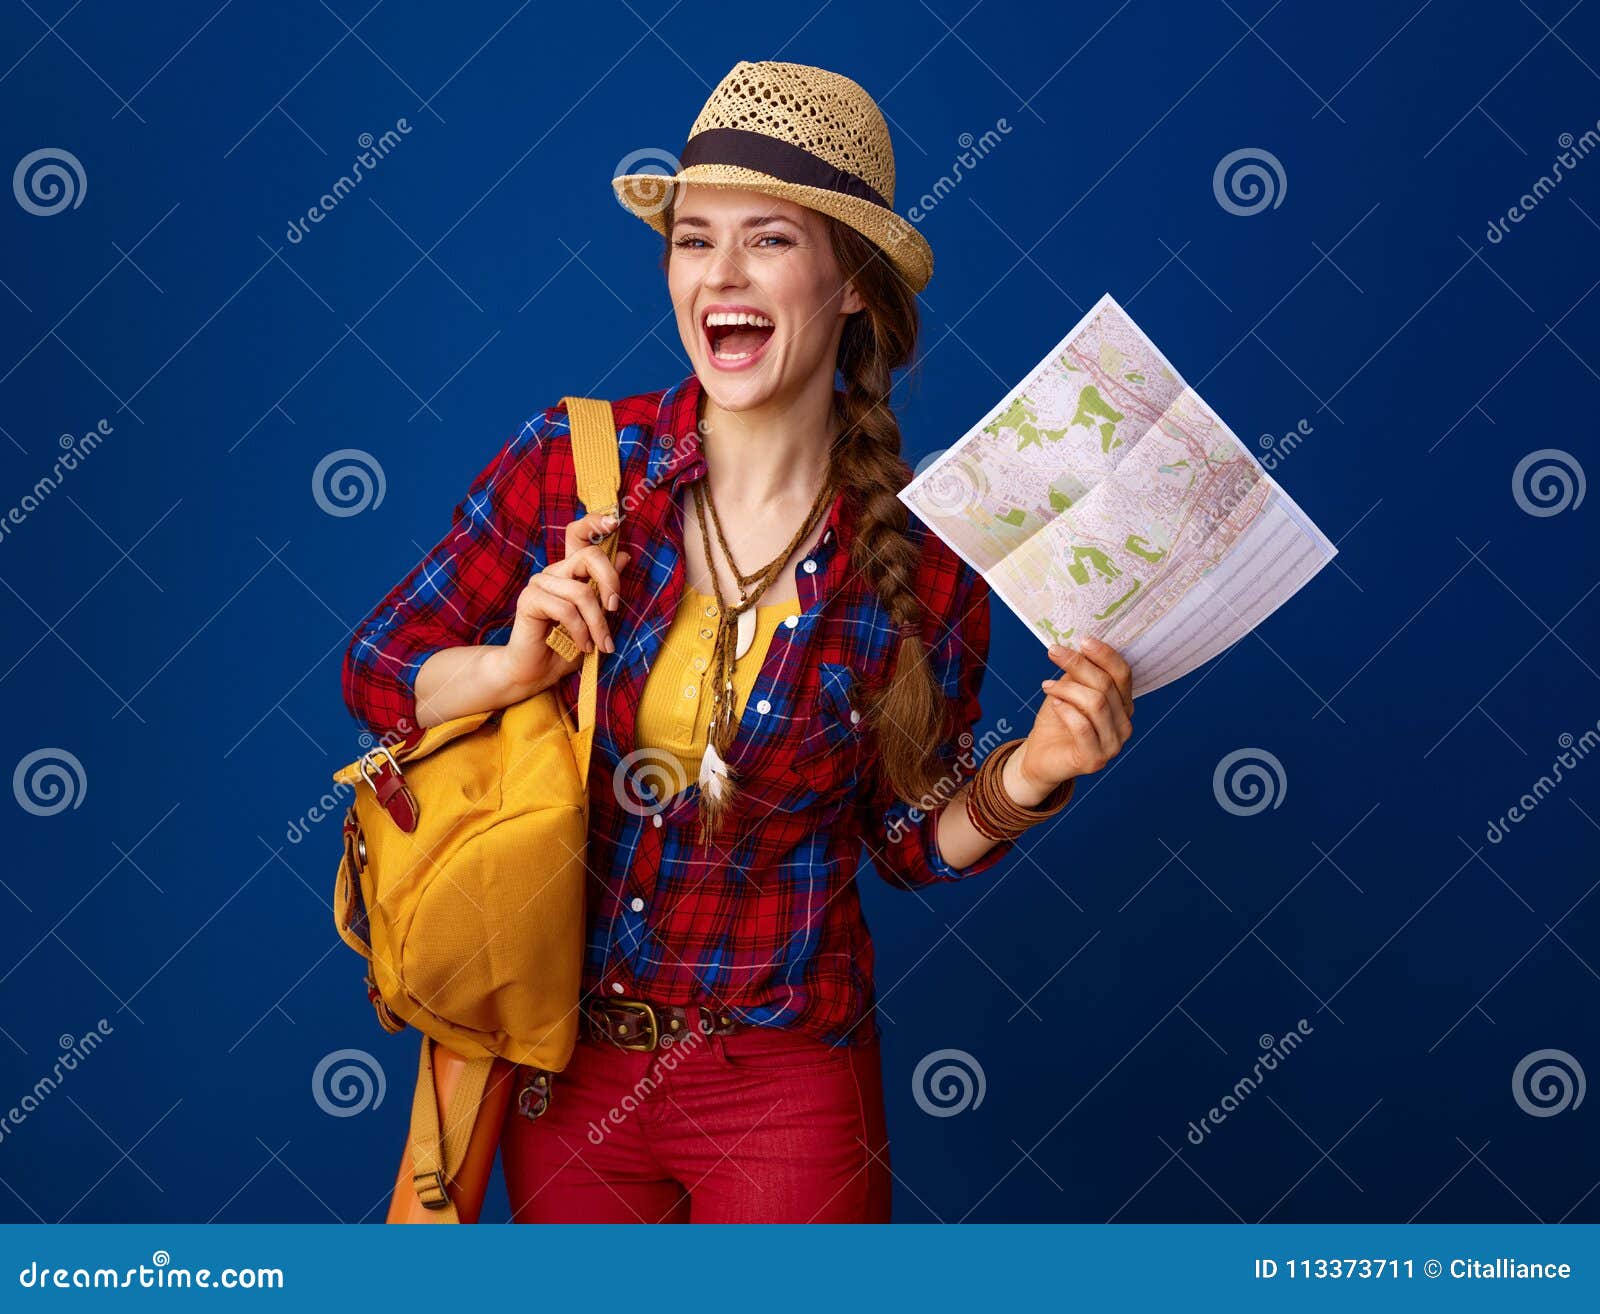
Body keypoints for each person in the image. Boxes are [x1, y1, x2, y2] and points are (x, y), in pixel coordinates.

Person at [342, 59, 1133, 1224]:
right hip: (566, 1071)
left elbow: (907, 839)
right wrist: (512, 671)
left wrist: (1033, 773)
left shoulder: (927, 558)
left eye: (766, 240)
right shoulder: (571, 463)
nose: (718, 275)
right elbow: (379, 670)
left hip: (782, 1084)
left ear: (852, 280)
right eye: (691, 238)